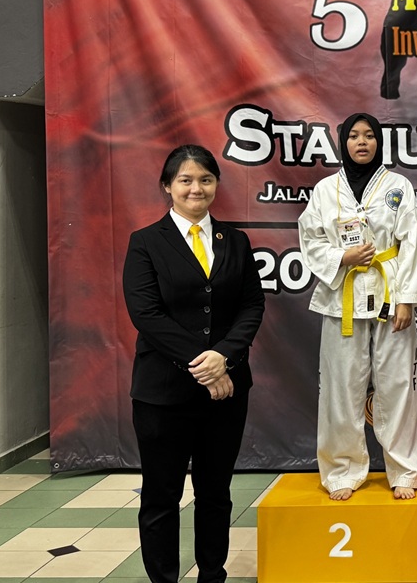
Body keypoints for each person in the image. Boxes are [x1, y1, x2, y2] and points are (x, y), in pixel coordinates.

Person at [123, 144, 265, 583]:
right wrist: (203, 365)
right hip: (162, 393)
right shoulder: (146, 242)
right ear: (168, 186)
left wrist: (224, 357)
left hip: (226, 392)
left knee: (215, 492)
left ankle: (211, 574)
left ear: (216, 184)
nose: (196, 188)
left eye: (205, 179)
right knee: (161, 495)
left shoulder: (235, 241)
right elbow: (146, 313)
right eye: (185, 180)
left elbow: (251, 305)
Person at [298, 113, 417, 500]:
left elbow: (412, 243)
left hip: (390, 293)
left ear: (379, 142)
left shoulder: (397, 186)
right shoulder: (325, 189)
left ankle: (404, 470)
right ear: (343, 142)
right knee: (340, 387)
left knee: (398, 384)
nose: (362, 142)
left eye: (370, 135)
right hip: (343, 297)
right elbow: (310, 239)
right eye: (353, 135)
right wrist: (343, 256)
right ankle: (342, 470)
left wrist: (406, 299)